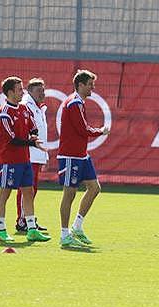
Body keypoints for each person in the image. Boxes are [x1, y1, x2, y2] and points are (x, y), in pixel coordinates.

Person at [0, 76, 50, 243]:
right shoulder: (3, 112)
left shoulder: (24, 109)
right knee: (5, 194)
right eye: (19, 90)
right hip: (10, 161)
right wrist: (32, 143)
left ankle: (31, 229)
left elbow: (33, 127)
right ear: (10, 92)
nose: (22, 92)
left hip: (25, 160)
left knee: (28, 191)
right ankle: (2, 230)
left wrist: (34, 136)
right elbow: (11, 140)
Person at [57, 70, 109, 248]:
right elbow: (83, 129)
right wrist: (100, 131)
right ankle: (64, 235)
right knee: (69, 193)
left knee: (95, 188)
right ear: (80, 85)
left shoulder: (78, 102)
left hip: (81, 155)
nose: (93, 87)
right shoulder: (73, 103)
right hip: (71, 155)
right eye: (90, 84)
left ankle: (76, 227)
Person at [15, 78, 49, 233]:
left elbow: (42, 133)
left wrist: (45, 156)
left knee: (32, 189)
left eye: (43, 90)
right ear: (29, 91)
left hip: (36, 155)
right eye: (38, 91)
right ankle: (22, 220)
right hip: (29, 154)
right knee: (26, 189)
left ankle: (28, 219)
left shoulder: (38, 107)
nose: (42, 93)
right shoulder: (25, 106)